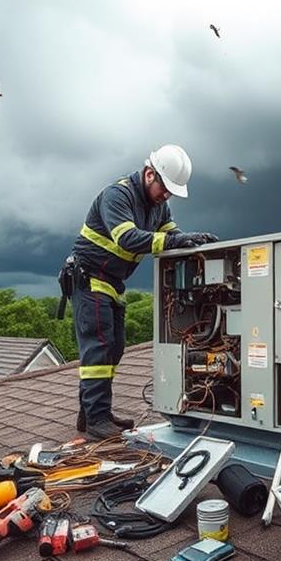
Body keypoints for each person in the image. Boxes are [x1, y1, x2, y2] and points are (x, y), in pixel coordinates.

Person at [69, 144, 217, 440]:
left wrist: (198, 245)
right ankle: (97, 418)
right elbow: (127, 239)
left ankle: (92, 414)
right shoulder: (117, 195)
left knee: (114, 347)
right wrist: (177, 241)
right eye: (166, 188)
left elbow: (173, 236)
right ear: (150, 174)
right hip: (90, 280)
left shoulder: (159, 206)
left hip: (111, 283)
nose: (167, 196)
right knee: (98, 347)